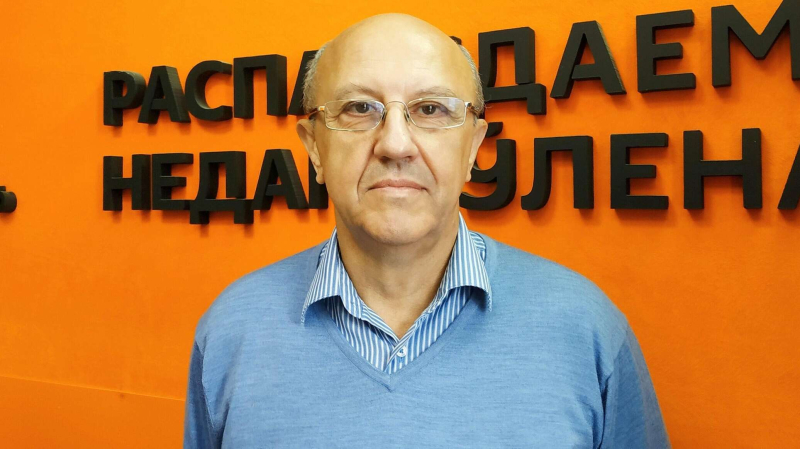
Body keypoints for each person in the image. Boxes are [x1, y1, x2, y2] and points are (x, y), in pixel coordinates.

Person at [183, 13, 670, 449]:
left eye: (431, 109)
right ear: (314, 147)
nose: (395, 144)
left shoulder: (585, 329)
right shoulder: (232, 331)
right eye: (359, 108)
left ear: (473, 147)